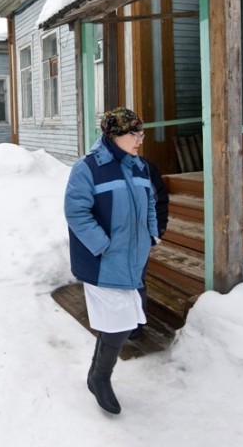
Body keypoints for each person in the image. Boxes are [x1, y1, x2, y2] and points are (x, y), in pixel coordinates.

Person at [64, 107, 157, 415]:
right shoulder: (88, 168)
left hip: (131, 257)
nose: (140, 140)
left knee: (123, 320)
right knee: (118, 324)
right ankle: (100, 377)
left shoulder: (139, 166)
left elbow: (151, 201)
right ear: (114, 136)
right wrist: (102, 245)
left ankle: (96, 374)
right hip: (103, 261)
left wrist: (151, 234)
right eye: (135, 134)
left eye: (141, 134)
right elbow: (76, 211)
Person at [129, 158, 168, 340]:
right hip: (110, 237)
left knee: (136, 280)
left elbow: (159, 199)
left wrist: (157, 229)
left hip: (139, 235)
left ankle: (134, 325)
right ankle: (114, 324)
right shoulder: (97, 167)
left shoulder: (145, 167)